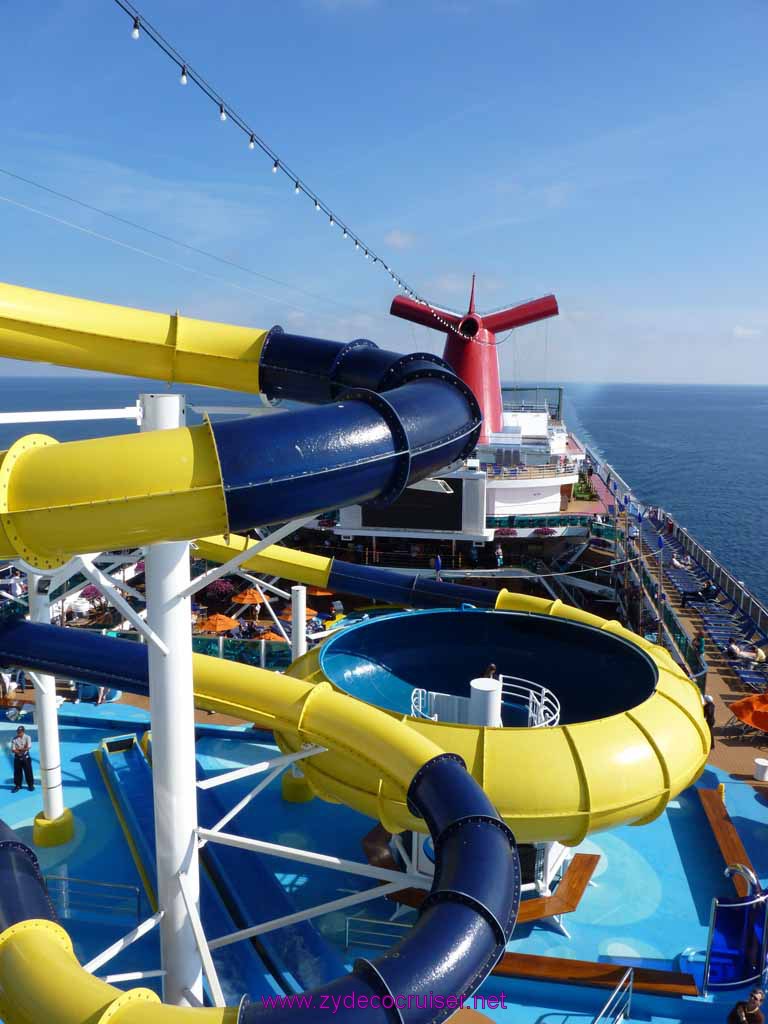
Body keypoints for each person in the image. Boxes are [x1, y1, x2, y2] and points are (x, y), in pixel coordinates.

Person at [11, 725, 34, 792]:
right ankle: (18, 785)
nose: (18, 733)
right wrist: (21, 751)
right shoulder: (14, 739)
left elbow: (28, 747)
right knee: (17, 772)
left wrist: (19, 749)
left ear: (23, 732)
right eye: (18, 732)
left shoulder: (27, 737)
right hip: (17, 757)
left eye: (20, 732)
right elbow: (13, 749)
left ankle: (30, 785)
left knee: (28, 772)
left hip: (26, 758)